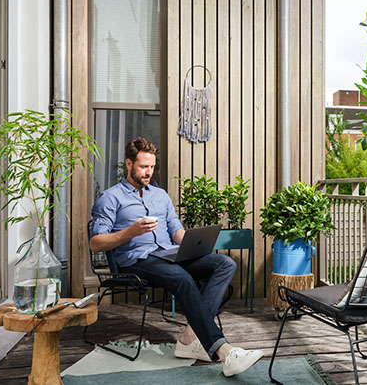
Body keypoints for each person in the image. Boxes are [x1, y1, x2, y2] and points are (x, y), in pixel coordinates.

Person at [90, 137, 263, 377]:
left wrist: (194, 243)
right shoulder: (111, 198)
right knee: (182, 277)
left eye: (152, 167)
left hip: (169, 255)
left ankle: (190, 335)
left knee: (224, 264)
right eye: (143, 167)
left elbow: (176, 230)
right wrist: (132, 231)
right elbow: (96, 242)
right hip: (137, 260)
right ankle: (224, 351)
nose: (148, 172)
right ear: (129, 164)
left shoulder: (160, 195)